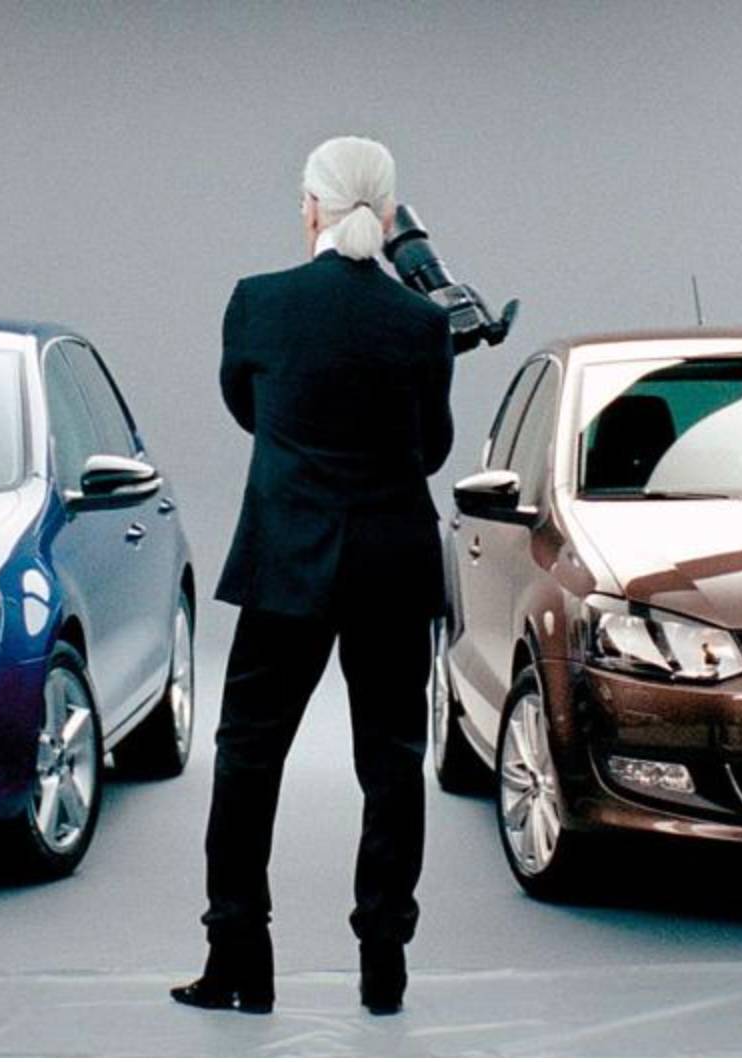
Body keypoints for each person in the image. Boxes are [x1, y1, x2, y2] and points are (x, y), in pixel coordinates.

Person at [171, 136, 455, 1017]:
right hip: (389, 567)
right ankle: (383, 969)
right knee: (392, 765)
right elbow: (433, 449)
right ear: (389, 208)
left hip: (287, 560)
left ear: (312, 208)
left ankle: (239, 963)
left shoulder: (258, 305)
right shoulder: (422, 321)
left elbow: (250, 413)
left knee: (248, 758)